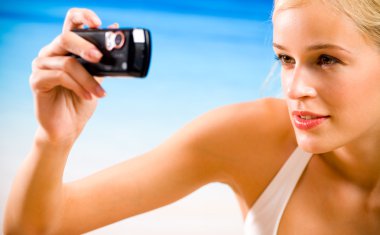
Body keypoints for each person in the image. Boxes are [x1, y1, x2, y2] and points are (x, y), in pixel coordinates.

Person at [3, 0, 380, 234]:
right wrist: (52, 140)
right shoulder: (249, 140)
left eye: (326, 60)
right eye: (285, 59)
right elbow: (35, 229)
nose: (295, 88)